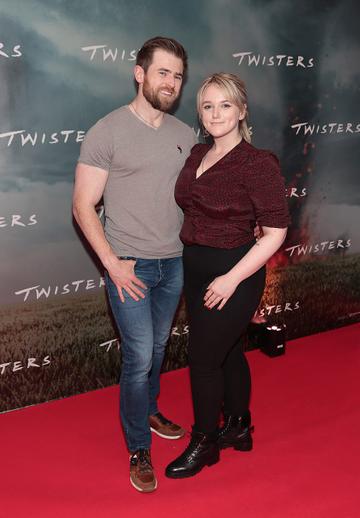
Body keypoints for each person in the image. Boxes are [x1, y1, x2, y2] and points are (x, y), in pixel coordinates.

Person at [72, 36, 197, 493]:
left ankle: (149, 407)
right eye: (163, 72)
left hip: (175, 264)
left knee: (160, 347)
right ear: (139, 73)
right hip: (130, 266)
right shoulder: (107, 131)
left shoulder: (186, 135)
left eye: (178, 75)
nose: (171, 82)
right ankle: (138, 446)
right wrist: (112, 264)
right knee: (140, 354)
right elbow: (84, 205)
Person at [165, 73, 290, 479]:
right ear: (200, 113)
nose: (216, 113)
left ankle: (204, 442)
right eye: (207, 105)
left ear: (241, 111)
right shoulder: (197, 154)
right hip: (197, 269)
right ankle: (238, 427)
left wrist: (231, 279)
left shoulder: (257, 163)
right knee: (228, 351)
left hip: (234, 273)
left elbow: (275, 234)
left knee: (202, 359)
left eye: (225, 105)